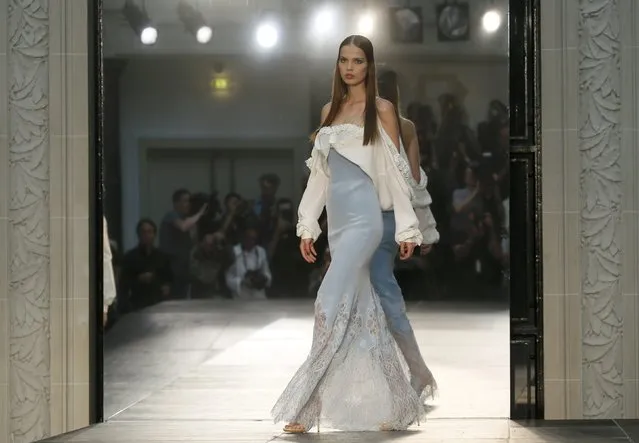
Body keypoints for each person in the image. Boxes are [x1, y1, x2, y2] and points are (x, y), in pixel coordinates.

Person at [271, 35, 425, 433]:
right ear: (338, 65)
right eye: (343, 60)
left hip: (366, 224)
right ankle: (402, 403)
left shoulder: (382, 110)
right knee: (366, 314)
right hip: (338, 228)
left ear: (369, 66)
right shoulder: (330, 109)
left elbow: (397, 174)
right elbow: (321, 177)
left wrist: (408, 226)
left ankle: (307, 405)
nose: (350, 67)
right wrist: (309, 224)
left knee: (326, 305)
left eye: (358, 60)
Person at [376, 70, 440, 400]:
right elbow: (416, 181)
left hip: (376, 223)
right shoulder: (404, 126)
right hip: (381, 223)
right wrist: (425, 232)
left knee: (379, 296)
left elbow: (413, 181)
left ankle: (412, 374)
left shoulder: (368, 125)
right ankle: (412, 374)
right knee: (378, 298)